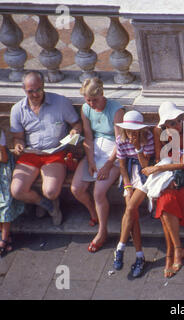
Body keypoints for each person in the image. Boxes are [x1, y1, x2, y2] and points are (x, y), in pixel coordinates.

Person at [10, 71, 81, 226]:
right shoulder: (17, 109)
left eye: (38, 90)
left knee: (51, 191)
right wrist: (18, 144)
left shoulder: (60, 102)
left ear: (43, 86)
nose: (35, 94)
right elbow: (18, 137)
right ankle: (45, 204)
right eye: (31, 91)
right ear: (24, 89)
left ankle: (49, 200)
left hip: (54, 153)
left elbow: (77, 124)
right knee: (17, 191)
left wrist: (75, 131)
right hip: (31, 153)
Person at [145, 101, 184, 278]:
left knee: (165, 206)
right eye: (171, 123)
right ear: (164, 124)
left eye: (178, 120)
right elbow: (159, 156)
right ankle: (176, 250)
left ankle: (171, 253)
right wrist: (163, 172)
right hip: (171, 171)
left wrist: (158, 169)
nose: (176, 125)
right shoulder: (160, 132)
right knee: (165, 204)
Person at [70, 77, 124, 253]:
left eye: (95, 99)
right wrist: (91, 160)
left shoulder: (116, 110)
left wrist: (108, 164)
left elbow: (120, 141)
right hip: (95, 150)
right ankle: (94, 212)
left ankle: (102, 231)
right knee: (76, 188)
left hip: (113, 154)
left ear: (102, 94)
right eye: (88, 100)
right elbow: (88, 136)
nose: (92, 104)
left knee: (99, 192)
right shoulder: (86, 109)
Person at [112, 110, 154, 278]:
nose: (130, 134)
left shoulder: (148, 138)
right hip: (130, 174)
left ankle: (120, 248)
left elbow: (145, 164)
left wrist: (137, 147)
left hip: (145, 174)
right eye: (128, 131)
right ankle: (139, 256)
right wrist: (127, 185)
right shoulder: (121, 140)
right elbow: (122, 165)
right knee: (132, 212)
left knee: (130, 208)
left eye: (133, 131)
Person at [0, 128, 24, 256]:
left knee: (4, 200)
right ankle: (4, 235)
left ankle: (4, 237)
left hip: (3, 167)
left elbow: (3, 158)